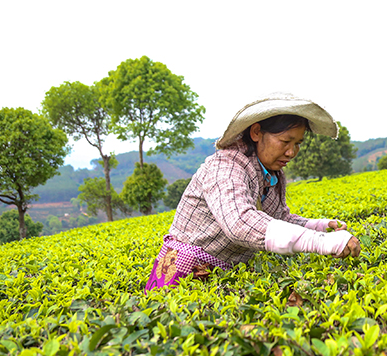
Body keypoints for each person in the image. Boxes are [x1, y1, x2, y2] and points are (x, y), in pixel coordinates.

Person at [146, 92, 360, 291]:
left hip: (227, 274)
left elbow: (278, 219)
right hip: (184, 274)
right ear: (256, 132)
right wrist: (321, 242)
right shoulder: (226, 167)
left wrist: (319, 226)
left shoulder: (271, 173)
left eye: (297, 143)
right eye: (285, 141)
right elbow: (240, 223)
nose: (291, 152)